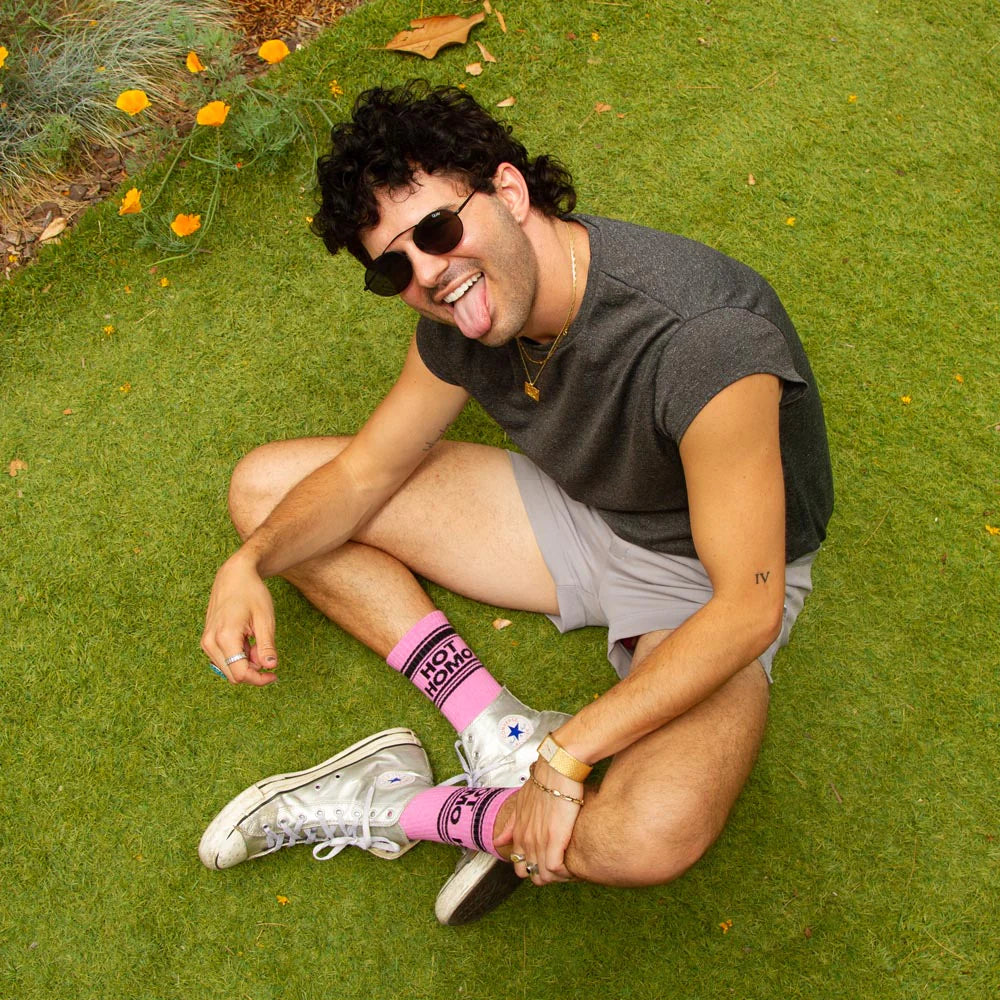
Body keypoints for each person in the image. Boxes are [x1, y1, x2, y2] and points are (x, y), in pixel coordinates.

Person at [197, 81, 834, 925]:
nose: (428, 275)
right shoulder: (463, 322)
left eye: (436, 230)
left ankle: (405, 810)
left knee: (643, 836)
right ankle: (495, 728)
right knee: (266, 495)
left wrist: (567, 761)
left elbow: (747, 608)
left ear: (510, 190)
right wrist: (246, 563)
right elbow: (360, 477)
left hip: (709, 578)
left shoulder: (700, 340)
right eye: (395, 266)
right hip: (580, 513)